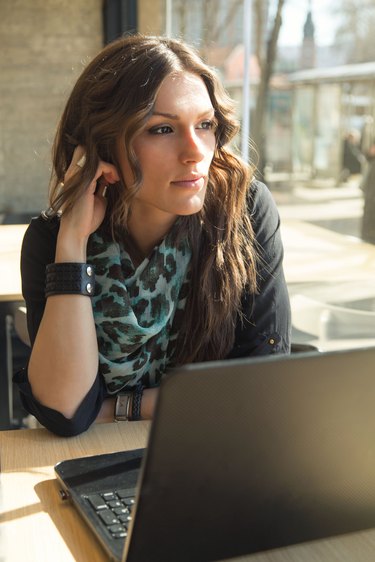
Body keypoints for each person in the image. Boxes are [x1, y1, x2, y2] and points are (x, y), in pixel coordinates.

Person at [14, 34, 291, 437]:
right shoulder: (52, 240)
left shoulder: (244, 213)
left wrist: (111, 409)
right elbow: (65, 411)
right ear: (103, 146)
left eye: (205, 125)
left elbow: (261, 387)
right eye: (162, 129)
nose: (195, 151)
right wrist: (72, 246)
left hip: (213, 452)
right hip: (95, 464)